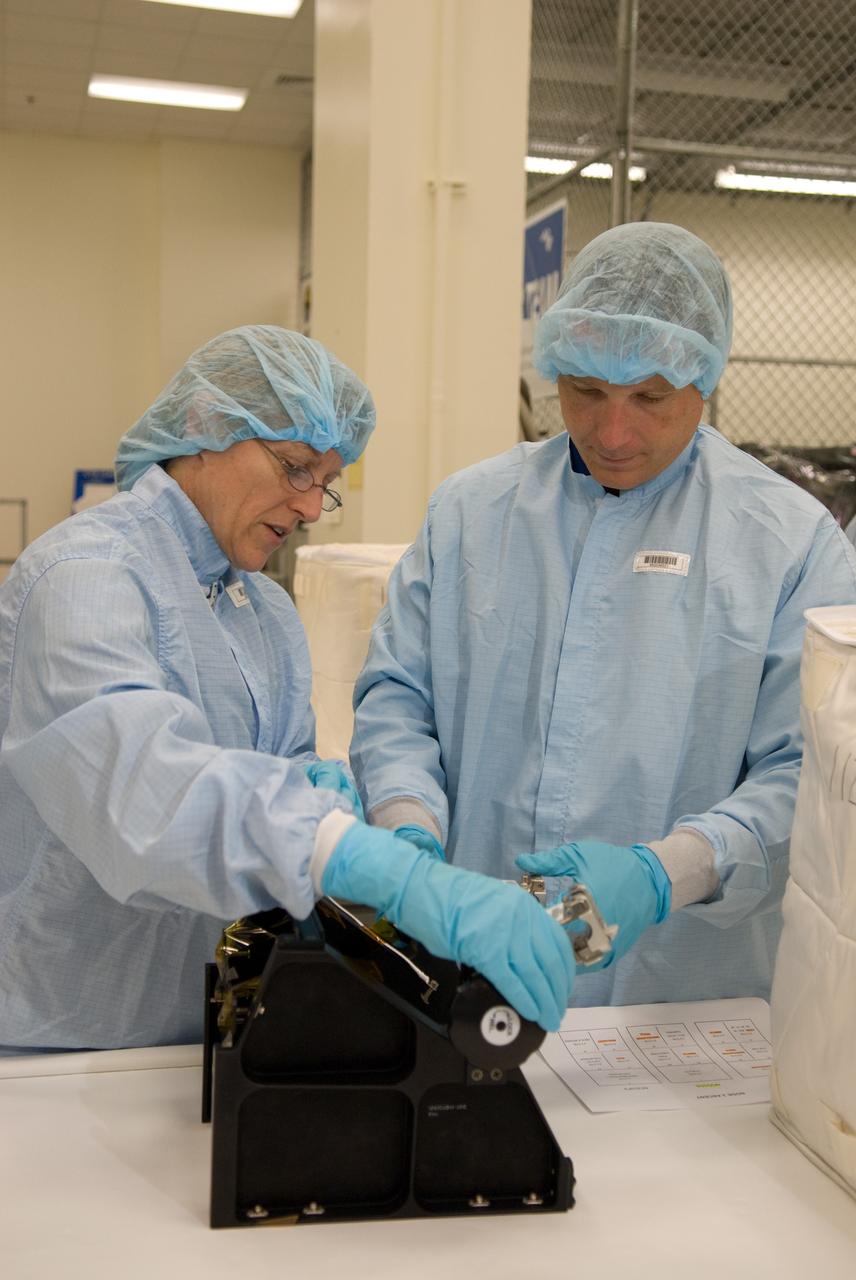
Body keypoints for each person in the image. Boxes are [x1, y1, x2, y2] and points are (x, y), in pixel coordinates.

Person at [0, 326, 573, 1053]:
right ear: (205, 427)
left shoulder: (263, 612)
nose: (309, 506)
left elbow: (280, 799)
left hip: (200, 1032)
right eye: (296, 467)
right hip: (56, 1037)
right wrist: (352, 855)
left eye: (325, 482)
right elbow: (145, 794)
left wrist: (372, 836)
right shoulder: (85, 578)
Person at [350, 223, 856, 1008]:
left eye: (649, 398)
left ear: (704, 377)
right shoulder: (471, 514)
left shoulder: (789, 543)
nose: (613, 433)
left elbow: (809, 772)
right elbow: (397, 695)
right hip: (470, 968)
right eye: (585, 390)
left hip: (678, 990)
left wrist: (667, 873)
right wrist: (405, 825)